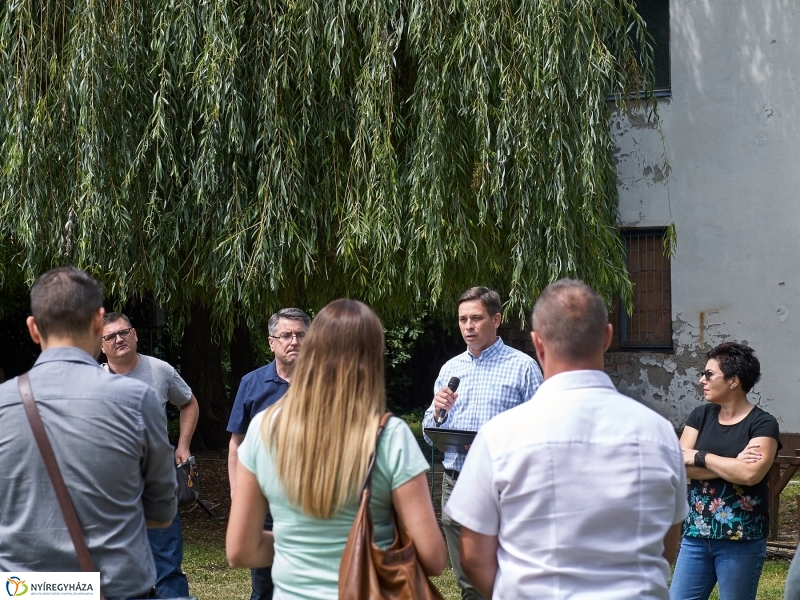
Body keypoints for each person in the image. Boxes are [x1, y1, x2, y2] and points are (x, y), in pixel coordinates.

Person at [445, 279, 688, 599]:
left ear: (538, 343)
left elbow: (474, 557)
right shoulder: (659, 434)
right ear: (607, 337)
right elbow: (667, 548)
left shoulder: (499, 437)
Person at [225, 299, 446, 598]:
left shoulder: (263, 428)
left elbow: (240, 551)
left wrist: (298, 546)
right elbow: (433, 558)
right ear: (372, 359)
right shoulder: (389, 436)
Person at [0, 266, 177, 599]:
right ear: (99, 322)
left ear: (34, 328)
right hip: (116, 587)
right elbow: (162, 511)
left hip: (23, 590)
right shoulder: (136, 401)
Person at [421, 286, 542, 599]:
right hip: (456, 479)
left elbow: (542, 429)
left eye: (476, 318)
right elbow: (428, 429)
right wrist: (437, 412)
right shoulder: (451, 369)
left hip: (502, 482)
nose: (468, 326)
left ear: (496, 319)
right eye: (462, 319)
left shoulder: (522, 367)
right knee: (468, 578)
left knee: (505, 570)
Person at [670, 342, 780, 600]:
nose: (701, 380)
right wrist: (733, 462)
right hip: (696, 535)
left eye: (709, 374)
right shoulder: (701, 416)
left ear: (734, 381)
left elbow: (750, 474)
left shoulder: (763, 423)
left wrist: (700, 456)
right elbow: (675, 467)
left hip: (741, 538)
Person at [102, 311, 200, 599]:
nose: (119, 339)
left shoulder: (160, 370)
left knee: (166, 563)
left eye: (123, 332)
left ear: (135, 334)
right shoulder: (92, 381)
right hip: (112, 491)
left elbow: (189, 404)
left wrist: (183, 445)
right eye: (110, 336)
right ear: (101, 345)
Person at [227, 308, 311, 600]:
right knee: (264, 586)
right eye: (286, 335)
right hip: (264, 502)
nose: (294, 341)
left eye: (301, 334)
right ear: (271, 342)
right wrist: (238, 494)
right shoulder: (251, 384)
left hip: (315, 502)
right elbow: (237, 443)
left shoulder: (328, 384)